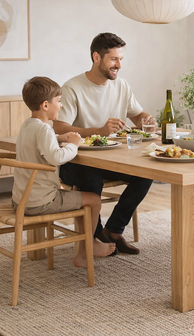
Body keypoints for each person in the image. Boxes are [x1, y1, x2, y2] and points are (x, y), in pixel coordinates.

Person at [53, 32, 154, 255]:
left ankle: (114, 231)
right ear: (96, 57)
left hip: (112, 159)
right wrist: (98, 131)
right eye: (113, 59)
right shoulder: (72, 88)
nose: (118, 65)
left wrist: (146, 120)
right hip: (76, 161)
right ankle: (95, 236)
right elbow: (58, 128)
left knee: (146, 174)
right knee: (91, 179)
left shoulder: (122, 86)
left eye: (121, 60)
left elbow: (138, 115)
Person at [12, 76, 116, 267]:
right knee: (93, 200)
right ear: (45, 105)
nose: (60, 106)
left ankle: (85, 242)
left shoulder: (28, 125)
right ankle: (85, 250)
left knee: (81, 196)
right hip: (41, 202)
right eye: (58, 102)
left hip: (21, 199)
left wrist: (59, 137)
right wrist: (74, 144)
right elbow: (57, 158)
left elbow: (41, 142)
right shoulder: (44, 130)